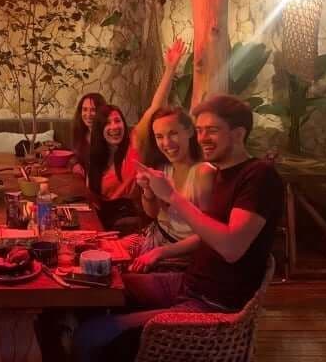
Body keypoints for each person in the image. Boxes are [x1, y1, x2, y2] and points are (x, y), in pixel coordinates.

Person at [74, 95, 284, 362]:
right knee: (95, 290)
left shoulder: (258, 176)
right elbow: (207, 233)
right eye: (200, 130)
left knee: (89, 335)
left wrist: (173, 197)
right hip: (188, 282)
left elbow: (231, 247)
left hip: (213, 303)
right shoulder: (219, 174)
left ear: (239, 133)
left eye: (213, 130)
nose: (203, 137)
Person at [127, 106, 213, 273]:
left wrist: (161, 252)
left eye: (173, 133)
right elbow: (152, 214)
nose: (166, 143)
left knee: (129, 281)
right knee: (106, 254)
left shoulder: (203, 172)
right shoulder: (163, 168)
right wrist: (148, 190)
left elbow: (209, 234)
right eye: (159, 136)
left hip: (184, 254)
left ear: (189, 131)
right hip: (156, 237)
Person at [85, 104, 140, 232]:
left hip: (128, 222)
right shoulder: (96, 158)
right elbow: (92, 196)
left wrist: (168, 81)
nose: (114, 126)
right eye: (107, 123)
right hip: (102, 224)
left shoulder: (133, 146)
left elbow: (155, 108)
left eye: (117, 120)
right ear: (100, 129)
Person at [71, 92, 106, 174]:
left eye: (93, 110)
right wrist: (75, 165)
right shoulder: (81, 132)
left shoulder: (107, 135)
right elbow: (75, 157)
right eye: (85, 109)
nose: (88, 114)